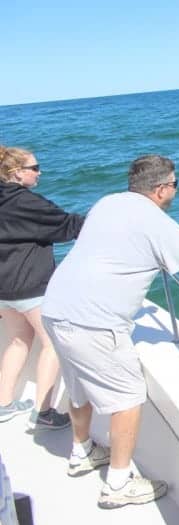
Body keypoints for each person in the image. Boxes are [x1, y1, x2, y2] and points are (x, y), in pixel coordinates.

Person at [42, 154, 179, 510]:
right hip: (95, 323)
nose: (175, 191)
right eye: (174, 185)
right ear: (160, 190)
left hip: (56, 307)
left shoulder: (107, 202)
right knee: (127, 397)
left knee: (78, 384)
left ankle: (81, 452)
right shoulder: (163, 227)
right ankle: (118, 484)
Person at [0, 145, 83, 431]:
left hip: (3, 292)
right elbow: (66, 225)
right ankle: (44, 412)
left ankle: (4, 405)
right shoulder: (26, 202)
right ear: (16, 172)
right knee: (51, 344)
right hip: (31, 288)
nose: (39, 173)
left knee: (17, 341)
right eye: (35, 168)